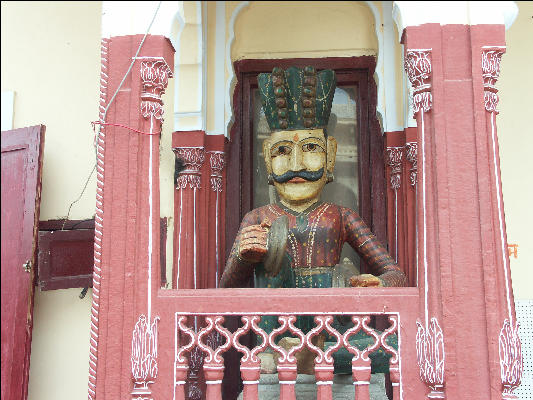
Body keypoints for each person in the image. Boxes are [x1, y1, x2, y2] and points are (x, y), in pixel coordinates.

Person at [220, 66, 406, 293]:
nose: (296, 165)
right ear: (268, 159)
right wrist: (243, 258)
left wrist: (379, 282)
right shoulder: (257, 218)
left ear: (330, 156)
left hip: (328, 322)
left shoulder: (342, 216)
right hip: (276, 323)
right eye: (282, 151)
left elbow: (395, 273)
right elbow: (227, 288)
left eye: (310, 148)